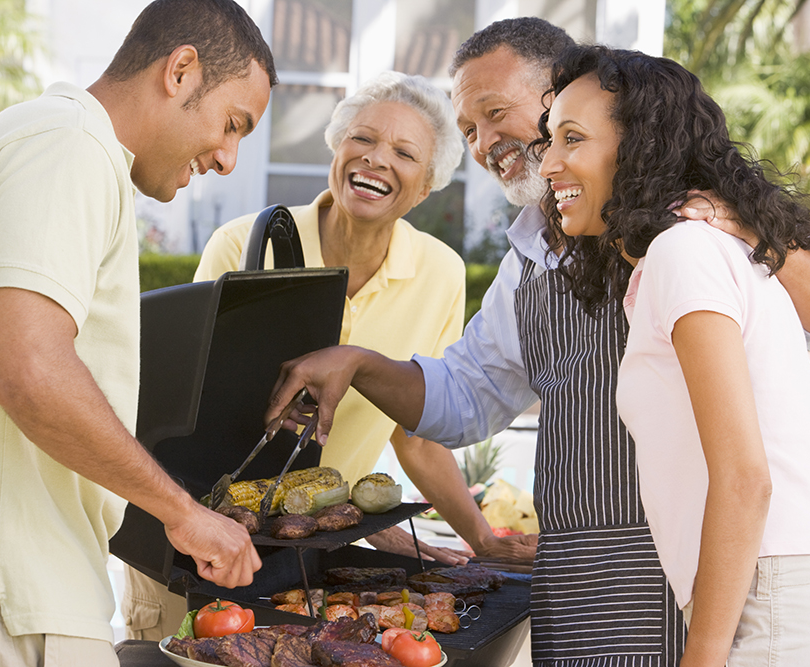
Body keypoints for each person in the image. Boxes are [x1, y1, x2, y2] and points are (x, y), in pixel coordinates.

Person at [264, 18, 810, 667]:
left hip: (699, 581)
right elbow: (464, 395)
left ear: (565, 95)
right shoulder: (527, 260)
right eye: (470, 129)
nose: (484, 144)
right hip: (582, 590)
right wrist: (360, 362)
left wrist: (750, 233)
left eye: (496, 114)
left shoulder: (692, 233)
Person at [0, 1, 277, 665]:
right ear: (181, 71)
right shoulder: (68, 144)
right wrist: (182, 510)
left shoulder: (45, 140)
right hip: (4, 607)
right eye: (233, 124)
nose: (228, 157)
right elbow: (29, 367)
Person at [122, 70, 536, 641]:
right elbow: (180, 410)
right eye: (362, 139)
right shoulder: (243, 247)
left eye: (404, 152)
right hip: (193, 544)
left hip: (306, 556)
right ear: (337, 149)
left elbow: (413, 431)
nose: (375, 160)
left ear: (426, 186)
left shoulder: (441, 273)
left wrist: (482, 537)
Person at [536, 43, 810, 667]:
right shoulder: (716, 258)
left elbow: (747, 479)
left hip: (771, 614)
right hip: (802, 603)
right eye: (549, 140)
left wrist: (711, 652)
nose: (548, 164)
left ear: (638, 147)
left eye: (572, 138)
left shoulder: (683, 254)